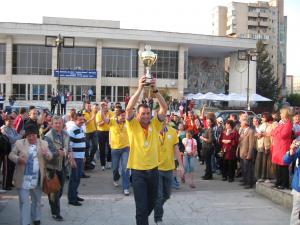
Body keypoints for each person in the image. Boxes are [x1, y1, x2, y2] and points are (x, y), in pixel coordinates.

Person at [126, 75, 167, 225]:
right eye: (142, 113)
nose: (145, 116)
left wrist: (155, 90)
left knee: (151, 203)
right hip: (138, 172)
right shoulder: (132, 125)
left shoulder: (155, 124)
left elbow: (164, 108)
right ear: (137, 115)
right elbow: (129, 107)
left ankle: (142, 218)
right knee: (141, 209)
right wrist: (140, 88)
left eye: (148, 113)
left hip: (154, 171)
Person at [9, 125, 52, 225]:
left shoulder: (43, 143)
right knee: (24, 202)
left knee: (37, 200)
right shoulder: (19, 143)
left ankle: (36, 218)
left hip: (37, 178)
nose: (31, 138)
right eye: (29, 135)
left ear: (37, 135)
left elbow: (50, 157)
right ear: (26, 135)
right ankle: (25, 222)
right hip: (23, 178)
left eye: (33, 135)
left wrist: (46, 154)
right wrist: (18, 159)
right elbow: (11, 154)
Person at [153, 121, 183, 224]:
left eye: (162, 119)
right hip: (156, 169)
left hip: (169, 168)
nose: (161, 121)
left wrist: (181, 165)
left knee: (167, 195)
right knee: (159, 196)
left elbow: (176, 149)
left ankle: (156, 205)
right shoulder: (152, 131)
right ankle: (158, 218)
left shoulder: (172, 131)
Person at [44, 115, 70, 221]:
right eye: (56, 123)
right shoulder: (48, 136)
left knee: (59, 191)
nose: (58, 125)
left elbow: (68, 146)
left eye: (60, 123)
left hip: (63, 166)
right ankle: (56, 213)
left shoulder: (66, 134)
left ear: (62, 123)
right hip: (52, 167)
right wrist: (57, 153)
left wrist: (70, 153)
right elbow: (47, 153)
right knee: (54, 191)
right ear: (52, 124)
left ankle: (53, 204)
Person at [101, 108, 130, 195]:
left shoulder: (127, 122)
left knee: (126, 168)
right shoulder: (112, 121)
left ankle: (126, 187)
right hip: (115, 149)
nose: (124, 117)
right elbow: (104, 118)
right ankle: (115, 178)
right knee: (115, 167)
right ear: (117, 116)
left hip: (126, 148)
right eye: (122, 116)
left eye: (125, 115)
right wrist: (102, 109)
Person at [67, 111, 86, 206]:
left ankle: (75, 194)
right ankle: (71, 198)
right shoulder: (72, 130)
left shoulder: (81, 128)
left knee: (78, 178)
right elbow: (69, 147)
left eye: (83, 119)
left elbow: (82, 143)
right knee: (74, 178)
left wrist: (84, 156)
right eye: (80, 120)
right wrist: (72, 159)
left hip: (80, 157)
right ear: (75, 120)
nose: (82, 121)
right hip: (75, 158)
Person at [271, 107, 292, 189]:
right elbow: (273, 132)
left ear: (285, 114)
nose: (280, 114)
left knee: (283, 166)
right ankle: (278, 181)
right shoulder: (281, 123)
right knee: (279, 166)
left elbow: (283, 135)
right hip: (278, 146)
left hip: (283, 146)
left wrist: (276, 132)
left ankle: (284, 184)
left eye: (281, 113)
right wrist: (276, 132)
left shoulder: (288, 123)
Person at [1, 116, 22, 190]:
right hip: (7, 151)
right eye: (9, 121)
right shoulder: (3, 129)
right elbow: (12, 139)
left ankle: (9, 183)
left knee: (12, 168)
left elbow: (17, 137)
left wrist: (18, 137)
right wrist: (18, 137)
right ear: (5, 121)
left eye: (12, 121)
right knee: (7, 169)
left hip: (13, 151)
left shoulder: (12, 129)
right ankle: (5, 185)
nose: (10, 122)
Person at [283, 140, 300, 225]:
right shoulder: (298, 141)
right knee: (296, 216)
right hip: (299, 187)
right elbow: (286, 160)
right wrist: (291, 151)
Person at [96, 101, 114, 170]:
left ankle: (109, 162)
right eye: (104, 105)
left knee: (110, 147)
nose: (105, 106)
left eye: (106, 105)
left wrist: (106, 120)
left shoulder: (111, 113)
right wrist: (105, 120)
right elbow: (99, 124)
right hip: (101, 132)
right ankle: (102, 164)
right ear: (102, 106)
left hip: (109, 132)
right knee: (102, 149)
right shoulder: (98, 113)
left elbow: (112, 122)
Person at [238, 118, 255, 189]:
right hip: (242, 152)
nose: (240, 124)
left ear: (245, 124)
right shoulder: (242, 130)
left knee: (248, 169)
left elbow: (251, 144)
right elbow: (240, 141)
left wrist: (249, 154)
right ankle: (245, 180)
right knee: (244, 168)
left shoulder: (250, 131)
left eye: (241, 123)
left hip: (247, 153)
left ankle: (249, 183)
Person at [82, 101, 98, 168]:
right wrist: (91, 119)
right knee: (87, 147)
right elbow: (84, 123)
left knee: (95, 146)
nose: (89, 107)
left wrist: (96, 128)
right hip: (87, 132)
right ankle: (87, 161)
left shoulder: (92, 112)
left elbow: (94, 121)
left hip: (94, 131)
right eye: (87, 106)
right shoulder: (83, 113)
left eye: (89, 106)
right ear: (85, 106)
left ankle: (90, 159)